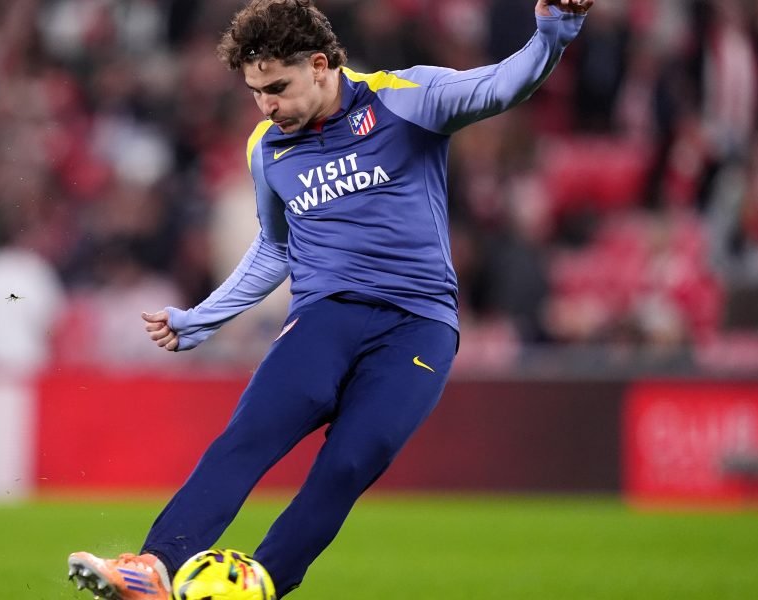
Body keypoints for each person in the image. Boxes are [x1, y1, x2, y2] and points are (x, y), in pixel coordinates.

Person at [68, 0, 592, 597]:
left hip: (417, 326)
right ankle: (153, 569)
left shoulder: (405, 98)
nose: (266, 106)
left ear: (320, 65)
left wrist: (553, 34)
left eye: (277, 88)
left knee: (348, 464)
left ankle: (259, 584)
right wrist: (203, 319)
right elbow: (276, 247)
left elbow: (501, 86)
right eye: (255, 92)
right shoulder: (267, 149)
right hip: (325, 319)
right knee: (248, 437)